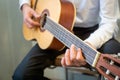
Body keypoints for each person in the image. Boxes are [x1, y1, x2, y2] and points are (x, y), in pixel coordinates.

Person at [12, 0, 120, 80]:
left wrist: (88, 44)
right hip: (53, 30)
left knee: (114, 51)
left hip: (91, 33)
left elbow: (109, 22)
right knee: (21, 76)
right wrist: (25, 5)